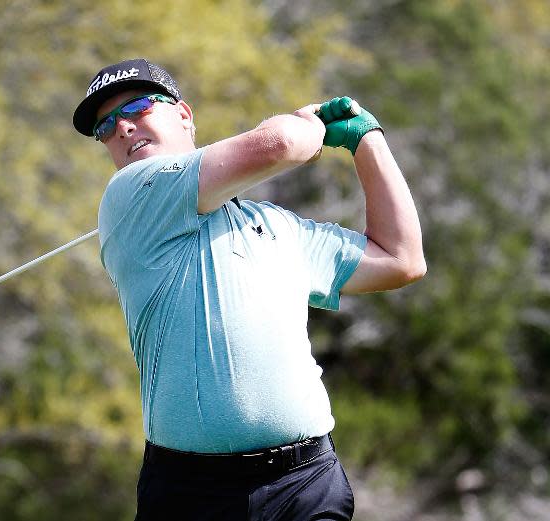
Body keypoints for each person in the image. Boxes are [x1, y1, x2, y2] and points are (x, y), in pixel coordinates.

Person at [73, 58, 425, 521]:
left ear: (184, 114)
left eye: (138, 107)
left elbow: (401, 259)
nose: (121, 128)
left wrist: (367, 141)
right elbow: (279, 144)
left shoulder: (276, 226)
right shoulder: (129, 195)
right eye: (105, 127)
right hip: (190, 492)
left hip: (304, 484)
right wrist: (307, 125)